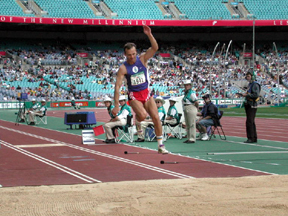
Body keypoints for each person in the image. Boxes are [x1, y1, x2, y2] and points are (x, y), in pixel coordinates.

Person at [112, 25, 168, 154]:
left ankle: (161, 146)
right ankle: (138, 115)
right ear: (125, 54)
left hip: (147, 93)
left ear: (136, 52)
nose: (132, 57)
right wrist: (116, 105)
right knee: (142, 116)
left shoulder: (142, 59)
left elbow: (155, 48)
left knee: (156, 118)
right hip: (134, 95)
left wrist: (149, 34)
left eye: (133, 54)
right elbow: (117, 87)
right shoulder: (123, 68)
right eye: (129, 55)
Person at [240, 72, 261, 143]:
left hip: (252, 104)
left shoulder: (255, 84)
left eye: (248, 76)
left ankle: (251, 138)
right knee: (251, 122)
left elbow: (256, 94)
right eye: (247, 76)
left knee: (249, 122)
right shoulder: (250, 84)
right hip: (249, 104)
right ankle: (253, 137)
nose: (247, 78)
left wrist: (247, 95)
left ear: (252, 77)